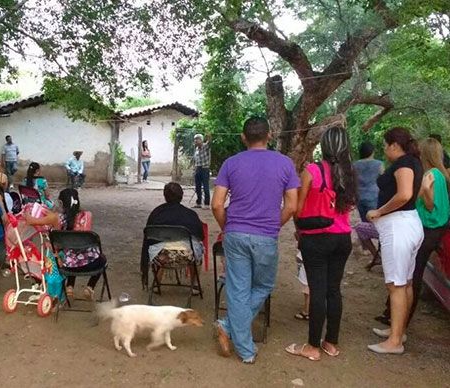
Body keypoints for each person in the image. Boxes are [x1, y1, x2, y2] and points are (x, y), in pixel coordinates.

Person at [212, 116, 299, 364]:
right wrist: (273, 225)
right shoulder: (284, 164)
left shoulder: (231, 163)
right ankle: (245, 349)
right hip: (266, 237)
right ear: (269, 136)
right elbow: (292, 206)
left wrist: (227, 227)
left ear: (243, 137)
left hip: (235, 234)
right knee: (262, 286)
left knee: (238, 290)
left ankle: (228, 326)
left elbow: (217, 204)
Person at [285, 127, 357, 361]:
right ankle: (331, 343)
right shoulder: (350, 173)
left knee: (318, 290)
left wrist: (299, 230)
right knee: (334, 290)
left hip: (316, 238)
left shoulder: (312, 171)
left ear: (324, 146)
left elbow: (298, 206)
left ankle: (312, 346)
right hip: (343, 238)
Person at [374, 138, 450, 332]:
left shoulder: (431, 175)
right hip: (432, 229)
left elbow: (431, 205)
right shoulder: (440, 174)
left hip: (429, 229)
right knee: (409, 278)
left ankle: (399, 327)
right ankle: (396, 324)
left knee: (409, 279)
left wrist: (424, 190)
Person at [366, 127, 424, 355]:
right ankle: (398, 330)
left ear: (394, 146)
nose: (384, 149)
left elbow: (405, 195)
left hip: (398, 226)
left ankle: (395, 341)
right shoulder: (414, 162)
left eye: (385, 145)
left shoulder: (404, 165)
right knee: (405, 282)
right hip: (408, 223)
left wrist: (379, 211)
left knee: (396, 285)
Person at [25, 188, 103, 300]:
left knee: (71, 254)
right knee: (95, 256)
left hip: (67, 265)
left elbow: (30, 221)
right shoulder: (87, 215)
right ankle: (89, 287)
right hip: (91, 264)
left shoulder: (56, 218)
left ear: (61, 203)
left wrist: (27, 209)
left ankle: (70, 287)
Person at [140, 182, 204, 288]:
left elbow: (149, 239)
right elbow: (200, 236)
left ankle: (157, 282)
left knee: (161, 243)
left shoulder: (156, 213)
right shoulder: (190, 215)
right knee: (198, 246)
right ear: (181, 196)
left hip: (160, 257)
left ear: (165, 196)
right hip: (185, 256)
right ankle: (195, 285)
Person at [353, 142, 384, 266]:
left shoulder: (354, 165)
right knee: (378, 225)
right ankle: (381, 253)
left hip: (360, 197)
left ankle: (368, 249)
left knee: (363, 223)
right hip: (374, 197)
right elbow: (383, 180)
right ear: (372, 151)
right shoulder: (379, 164)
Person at [193, 133, 212, 209]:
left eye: (197, 139)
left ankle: (207, 204)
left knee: (205, 186)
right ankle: (199, 203)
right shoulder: (196, 149)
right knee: (197, 187)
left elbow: (209, 143)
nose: (195, 141)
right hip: (198, 168)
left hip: (205, 168)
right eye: (195, 139)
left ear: (201, 140)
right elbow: (196, 160)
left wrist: (209, 136)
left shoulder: (205, 146)